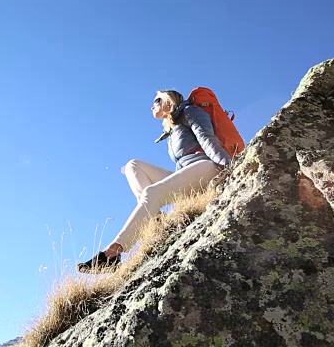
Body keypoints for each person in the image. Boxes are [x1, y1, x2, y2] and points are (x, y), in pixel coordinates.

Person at [76, 89, 238, 273]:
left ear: (169, 101)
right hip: (189, 175)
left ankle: (112, 253)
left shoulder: (190, 112)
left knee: (152, 193)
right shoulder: (173, 127)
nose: (152, 104)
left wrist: (232, 167)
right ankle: (157, 218)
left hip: (208, 168)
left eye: (157, 99)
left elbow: (207, 139)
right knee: (133, 165)